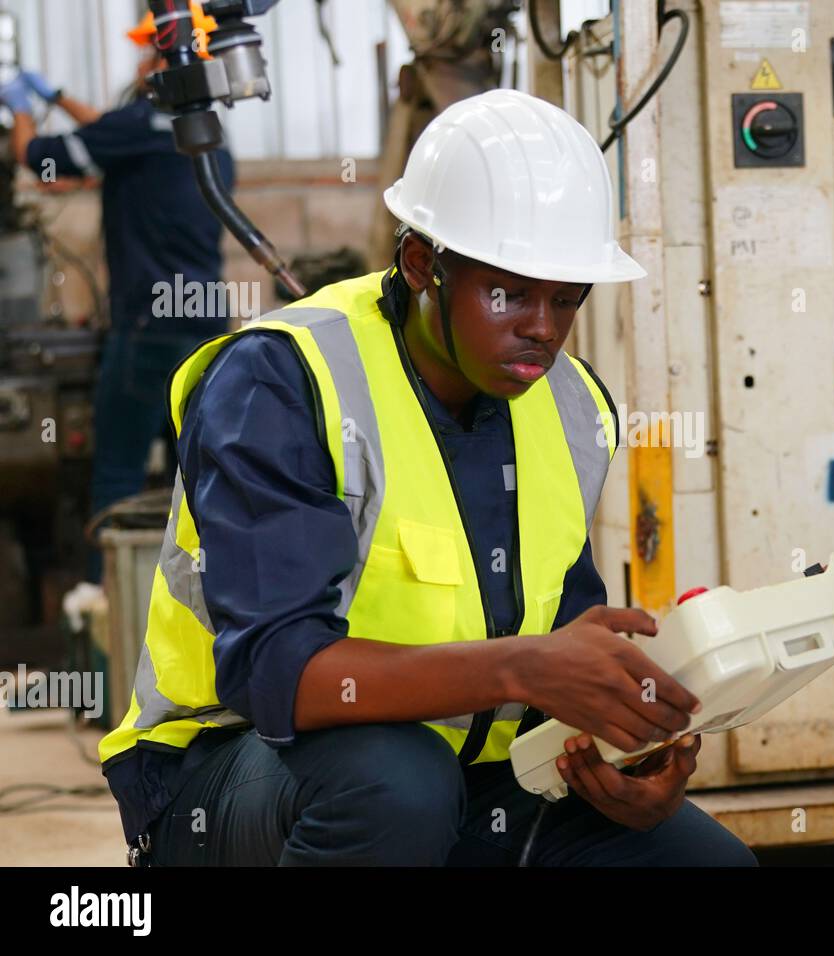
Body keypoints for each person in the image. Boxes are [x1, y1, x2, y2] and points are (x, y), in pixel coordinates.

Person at [97, 88, 757, 867]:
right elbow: (275, 675)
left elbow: (560, 647)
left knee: (700, 862)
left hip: (468, 780)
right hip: (233, 776)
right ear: (421, 264)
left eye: (566, 298)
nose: (542, 327)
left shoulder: (574, 409)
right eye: (509, 292)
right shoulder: (282, 382)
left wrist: (629, 750)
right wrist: (522, 666)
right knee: (394, 785)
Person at [0, 2, 234, 581]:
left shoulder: (133, 130)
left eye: (147, 50)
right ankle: (205, 615)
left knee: (117, 480)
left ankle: (109, 618)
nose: (138, 60)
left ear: (167, 56)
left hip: (148, 330)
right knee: (200, 482)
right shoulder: (205, 134)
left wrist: (20, 106)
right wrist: (56, 95)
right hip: (207, 329)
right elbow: (105, 134)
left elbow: (38, 157)